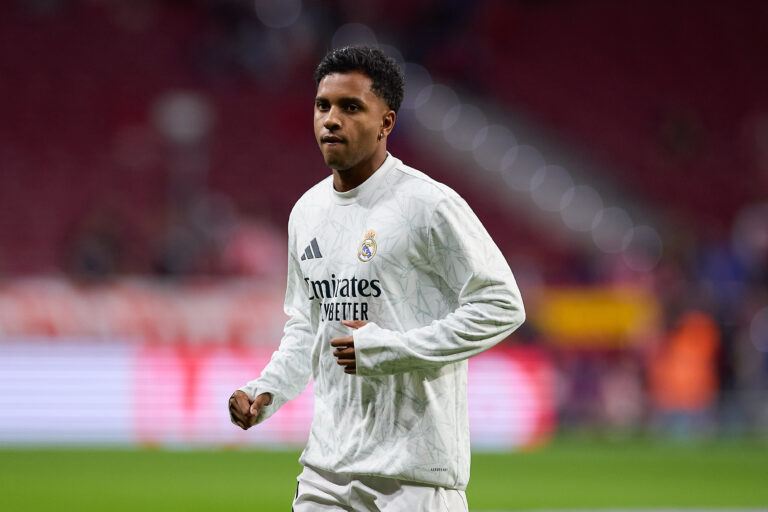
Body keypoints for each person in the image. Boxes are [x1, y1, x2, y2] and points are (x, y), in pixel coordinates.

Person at [229, 45, 525, 511]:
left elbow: (503, 304)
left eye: (351, 108)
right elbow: (307, 327)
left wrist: (394, 349)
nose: (331, 119)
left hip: (414, 477)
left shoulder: (428, 206)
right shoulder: (306, 213)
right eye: (323, 105)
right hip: (326, 472)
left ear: (386, 122)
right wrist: (265, 389)